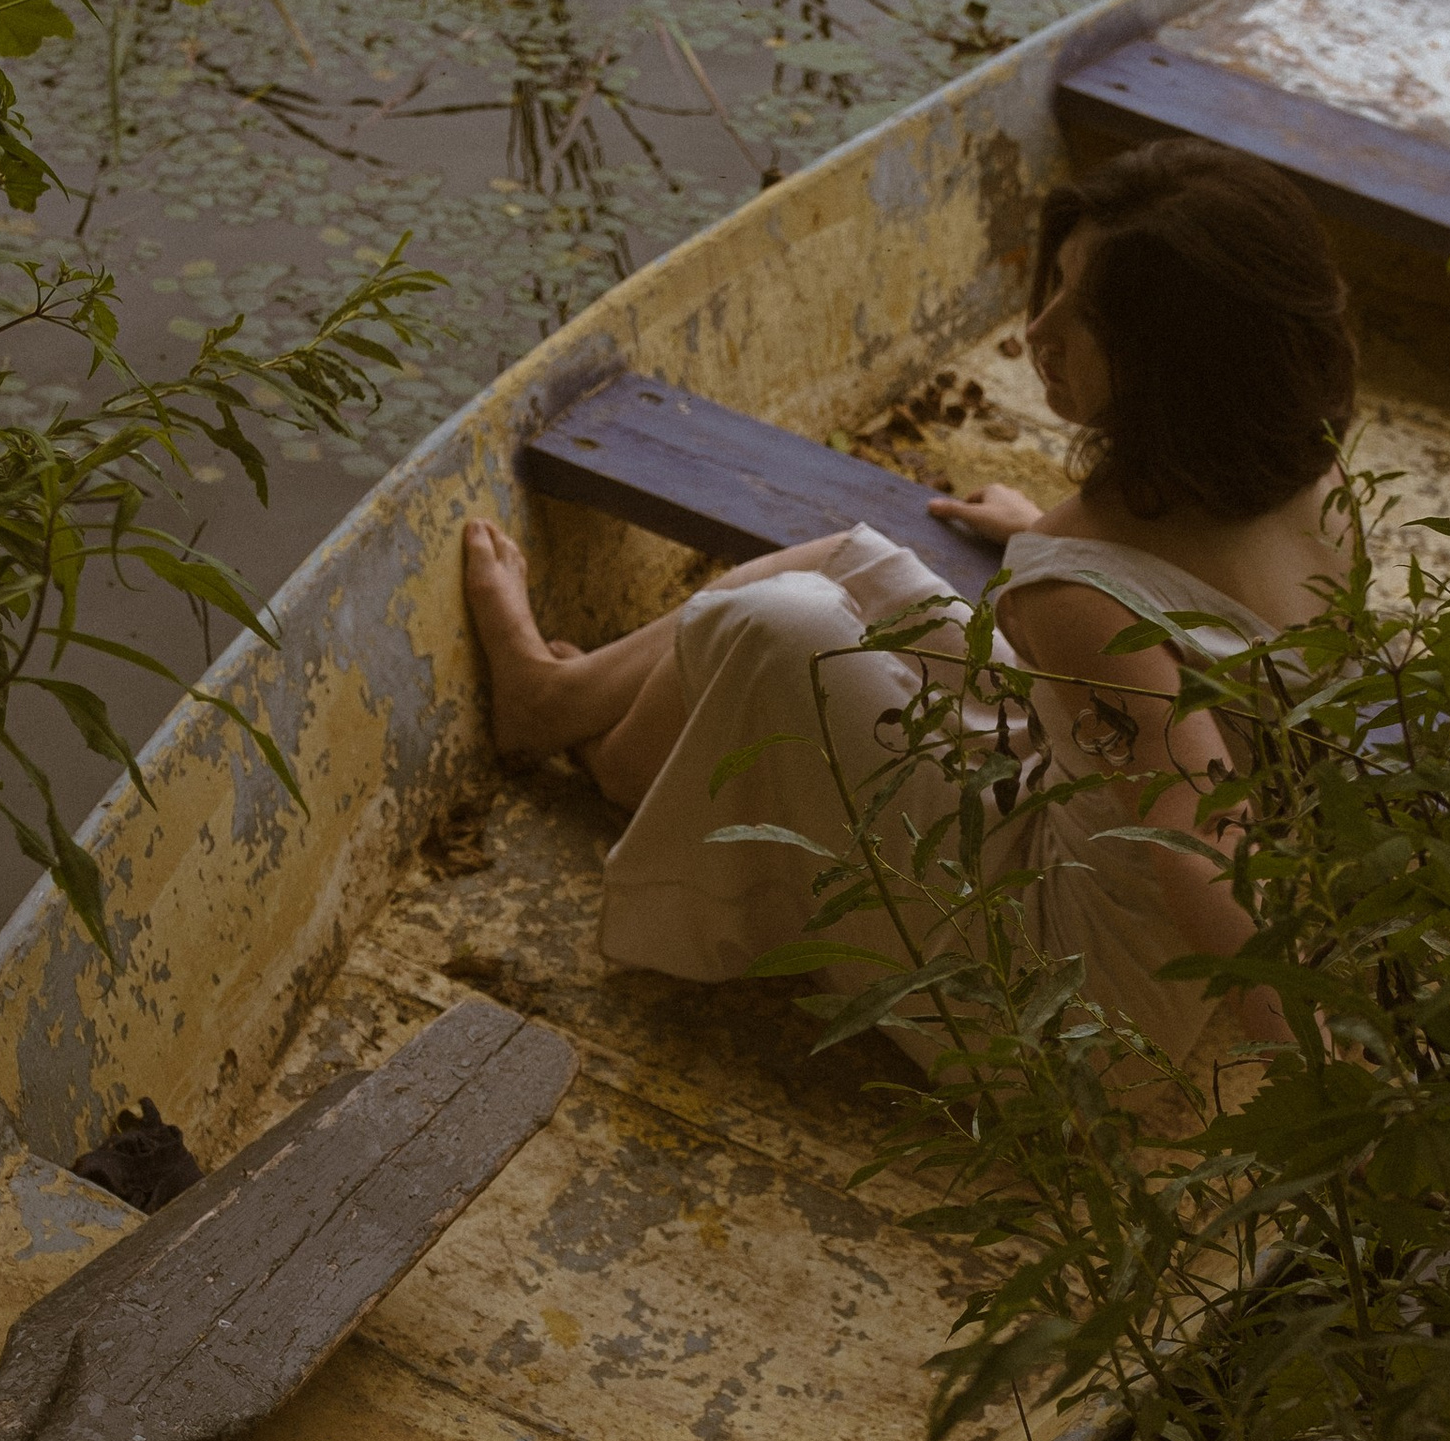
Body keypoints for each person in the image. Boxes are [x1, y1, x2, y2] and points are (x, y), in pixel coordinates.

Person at [462, 138, 1358, 1086]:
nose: (1038, 331)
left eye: (1084, 316)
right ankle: (555, 698)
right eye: (1053, 284)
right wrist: (1053, 543)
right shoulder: (1314, 471)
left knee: (786, 629)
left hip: (1060, 1005)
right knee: (857, 563)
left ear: (1175, 366)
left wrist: (1329, 1082)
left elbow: (1200, 837)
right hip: (1114, 860)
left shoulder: (1080, 597)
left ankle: (620, 765)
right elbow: (1204, 646)